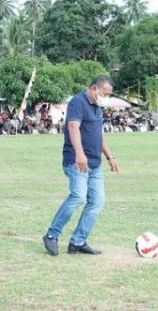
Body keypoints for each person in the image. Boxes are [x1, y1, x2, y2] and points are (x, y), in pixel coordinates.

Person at [43, 75, 120, 256]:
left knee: (97, 201)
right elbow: (73, 127)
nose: (106, 98)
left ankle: (78, 241)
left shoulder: (98, 107)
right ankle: (51, 235)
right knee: (78, 196)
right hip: (76, 160)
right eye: (105, 93)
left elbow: (98, 134)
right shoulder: (78, 102)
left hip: (95, 163)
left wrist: (110, 157)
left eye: (109, 95)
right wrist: (79, 154)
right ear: (94, 88)